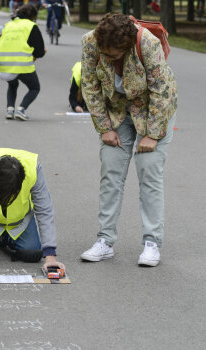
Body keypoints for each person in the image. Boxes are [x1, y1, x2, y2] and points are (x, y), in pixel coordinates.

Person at [79, 14, 177, 267]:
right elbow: (89, 85)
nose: (109, 60)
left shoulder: (147, 43)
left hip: (153, 110)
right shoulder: (90, 42)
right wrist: (104, 128)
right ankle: (104, 241)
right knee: (111, 172)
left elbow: (160, 89)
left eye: (114, 56)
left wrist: (152, 134)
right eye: (106, 55)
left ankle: (152, 243)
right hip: (117, 111)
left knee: (149, 173)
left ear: (127, 46)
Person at [0, 147, 65, 272]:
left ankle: (5, 237)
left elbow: (44, 210)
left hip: (18, 220)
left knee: (32, 254)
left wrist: (51, 256)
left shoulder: (33, 169)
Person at [0, 4, 45, 121]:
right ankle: (21, 109)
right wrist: (39, 53)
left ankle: (10, 110)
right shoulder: (31, 26)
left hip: (5, 64)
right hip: (23, 65)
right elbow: (39, 51)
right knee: (34, 88)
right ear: (33, 16)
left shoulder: (8, 25)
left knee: (12, 84)